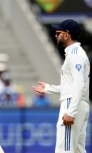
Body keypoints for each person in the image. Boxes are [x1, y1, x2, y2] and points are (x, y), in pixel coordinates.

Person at [32, 19, 90, 153]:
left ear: (67, 34)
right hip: (79, 103)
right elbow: (73, 85)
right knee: (78, 150)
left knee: (64, 150)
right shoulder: (75, 54)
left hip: (72, 104)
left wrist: (71, 111)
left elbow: (78, 84)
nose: (55, 35)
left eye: (58, 32)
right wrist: (48, 88)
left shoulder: (75, 55)